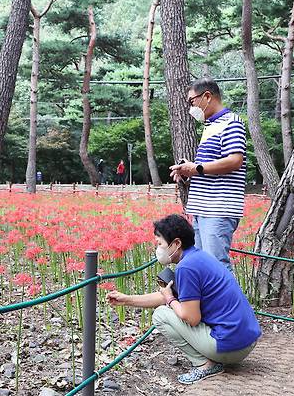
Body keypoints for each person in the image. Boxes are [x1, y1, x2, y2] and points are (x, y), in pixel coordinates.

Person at [106, 214, 260, 385]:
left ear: (176, 243)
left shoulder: (186, 267)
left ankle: (205, 364)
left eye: (160, 244)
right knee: (167, 307)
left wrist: (170, 299)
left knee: (160, 315)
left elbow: (191, 318)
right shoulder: (198, 257)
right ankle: (211, 359)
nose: (158, 249)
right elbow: (164, 296)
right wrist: (126, 299)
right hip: (246, 340)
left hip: (232, 348)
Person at [169, 78, 246, 271]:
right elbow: (208, 167)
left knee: (216, 266)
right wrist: (187, 171)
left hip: (219, 208)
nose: (191, 106)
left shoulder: (231, 122)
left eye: (192, 100)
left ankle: (226, 302)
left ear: (207, 96)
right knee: (203, 265)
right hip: (203, 209)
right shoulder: (210, 127)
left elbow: (235, 160)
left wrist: (197, 168)